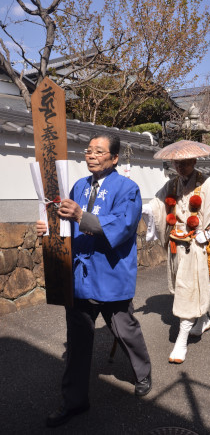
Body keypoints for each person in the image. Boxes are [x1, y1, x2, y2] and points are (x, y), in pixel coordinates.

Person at [36, 134, 151, 428]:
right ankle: (74, 401)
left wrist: (81, 215)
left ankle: (143, 373)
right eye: (88, 151)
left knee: (125, 330)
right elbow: (64, 223)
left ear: (114, 158)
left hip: (111, 275)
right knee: (77, 342)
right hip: (80, 276)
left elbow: (123, 226)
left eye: (99, 152)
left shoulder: (128, 188)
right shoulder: (78, 186)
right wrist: (47, 228)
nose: (91, 156)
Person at [142, 140, 210, 364]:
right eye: (176, 163)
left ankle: (181, 340)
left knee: (187, 290)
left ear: (193, 161)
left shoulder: (208, 184)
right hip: (175, 245)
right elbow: (157, 205)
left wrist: (209, 234)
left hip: (196, 245)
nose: (179, 167)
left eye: (183, 163)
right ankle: (202, 319)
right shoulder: (172, 185)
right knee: (184, 288)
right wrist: (140, 207)